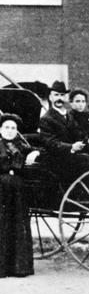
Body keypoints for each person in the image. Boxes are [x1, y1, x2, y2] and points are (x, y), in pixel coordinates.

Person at [0, 114, 41, 278]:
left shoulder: (21, 146)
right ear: (0, 129)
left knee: (18, 224)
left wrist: (35, 153)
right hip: (1, 191)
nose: (9, 131)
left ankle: (18, 268)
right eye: (6, 127)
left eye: (13, 128)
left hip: (17, 192)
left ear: (17, 131)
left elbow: (39, 149)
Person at [38, 81, 89, 185]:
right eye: (56, 95)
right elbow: (51, 143)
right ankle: (86, 194)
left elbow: (79, 133)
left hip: (70, 156)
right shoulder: (46, 119)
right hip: (56, 159)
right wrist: (71, 146)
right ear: (50, 97)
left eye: (62, 95)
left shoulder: (69, 116)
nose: (59, 98)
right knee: (85, 159)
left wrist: (87, 139)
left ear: (66, 98)